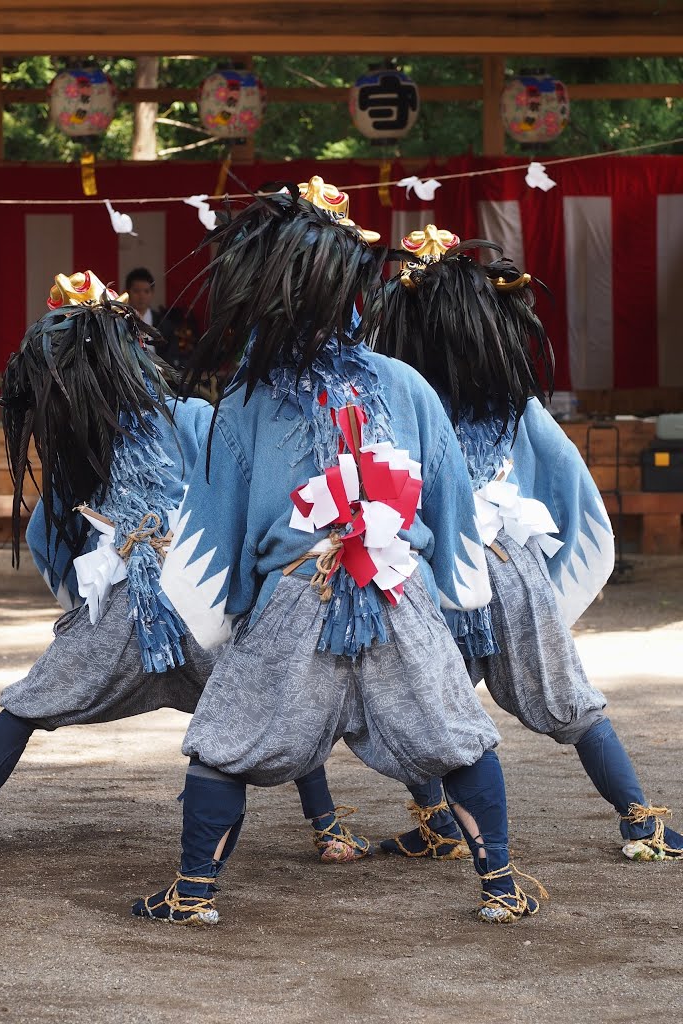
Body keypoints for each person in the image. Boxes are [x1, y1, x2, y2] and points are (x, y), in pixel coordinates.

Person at [131, 185, 546, 927]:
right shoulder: (408, 386)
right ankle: (502, 887)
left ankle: (194, 894)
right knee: (455, 736)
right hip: (400, 591)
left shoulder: (249, 401)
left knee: (224, 744)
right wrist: (454, 583)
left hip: (297, 591)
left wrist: (226, 612)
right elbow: (452, 498)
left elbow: (215, 523)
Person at [0, 271, 364, 873]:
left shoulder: (80, 438)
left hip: (126, 593)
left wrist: (78, 597)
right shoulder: (192, 416)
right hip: (197, 590)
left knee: (24, 706)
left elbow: (46, 533)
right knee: (256, 695)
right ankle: (328, 829)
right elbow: (236, 494)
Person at [375, 226, 683, 864]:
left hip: (441, 572)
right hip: (503, 570)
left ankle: (446, 823)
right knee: (539, 702)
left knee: (430, 704)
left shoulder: (406, 405)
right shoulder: (510, 403)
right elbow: (570, 481)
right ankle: (637, 822)